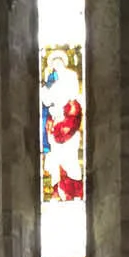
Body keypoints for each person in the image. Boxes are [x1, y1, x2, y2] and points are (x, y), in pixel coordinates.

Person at [42, 48, 85, 201]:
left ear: (63, 62)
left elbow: (72, 95)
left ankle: (74, 193)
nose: (56, 64)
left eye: (59, 60)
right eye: (54, 62)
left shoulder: (71, 76)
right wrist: (47, 88)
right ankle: (58, 191)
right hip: (55, 123)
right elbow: (46, 100)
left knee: (70, 158)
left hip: (69, 123)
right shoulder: (50, 80)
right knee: (56, 158)